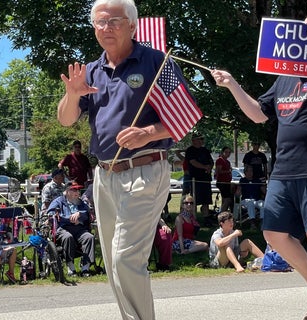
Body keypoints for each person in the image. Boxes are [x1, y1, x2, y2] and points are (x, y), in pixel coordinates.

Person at [211, 16, 307, 320]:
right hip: (284, 169)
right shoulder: (282, 78)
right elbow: (258, 114)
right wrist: (232, 84)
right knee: (273, 233)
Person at [57, 0, 196, 317]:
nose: (106, 28)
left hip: (144, 170)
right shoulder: (91, 71)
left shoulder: (156, 63)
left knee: (125, 259)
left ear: (133, 25)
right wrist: (73, 94)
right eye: (100, 22)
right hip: (103, 177)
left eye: (115, 21)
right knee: (112, 262)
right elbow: (66, 120)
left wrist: (147, 133)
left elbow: (185, 118)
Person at [47, 183, 95, 277]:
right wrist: (67, 218)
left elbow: (87, 213)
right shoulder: (59, 201)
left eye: (78, 190)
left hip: (79, 228)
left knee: (89, 237)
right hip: (63, 228)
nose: (77, 192)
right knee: (68, 237)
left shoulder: (81, 202)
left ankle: (85, 268)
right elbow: (50, 212)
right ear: (67, 192)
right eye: (74, 190)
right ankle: (71, 267)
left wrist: (79, 214)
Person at [185, 134, 214, 218]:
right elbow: (192, 162)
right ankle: (192, 218)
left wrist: (210, 167)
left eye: (202, 139)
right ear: (194, 140)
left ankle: (206, 217)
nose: (201, 141)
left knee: (206, 200)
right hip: (195, 179)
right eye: (199, 139)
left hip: (206, 178)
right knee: (194, 200)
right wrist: (204, 167)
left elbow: (211, 161)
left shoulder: (205, 150)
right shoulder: (190, 150)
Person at [214, 146, 233, 212]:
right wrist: (228, 171)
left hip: (227, 183)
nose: (228, 154)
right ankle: (221, 214)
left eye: (229, 152)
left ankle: (223, 212)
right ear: (222, 152)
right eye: (226, 152)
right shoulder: (220, 160)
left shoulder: (227, 162)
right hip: (222, 182)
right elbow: (219, 171)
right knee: (228, 199)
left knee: (225, 199)